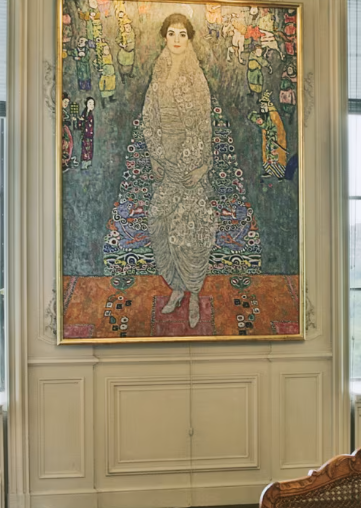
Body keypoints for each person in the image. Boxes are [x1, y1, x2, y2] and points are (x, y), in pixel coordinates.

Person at [141, 13, 215, 329]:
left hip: (190, 162)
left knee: (189, 232)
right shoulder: (158, 75)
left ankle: (194, 293)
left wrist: (202, 167)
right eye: (171, 33)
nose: (176, 39)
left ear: (189, 39)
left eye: (182, 34)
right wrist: (155, 157)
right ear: (164, 37)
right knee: (158, 222)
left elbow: (204, 125)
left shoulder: (196, 78)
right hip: (165, 159)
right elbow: (149, 117)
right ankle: (176, 286)